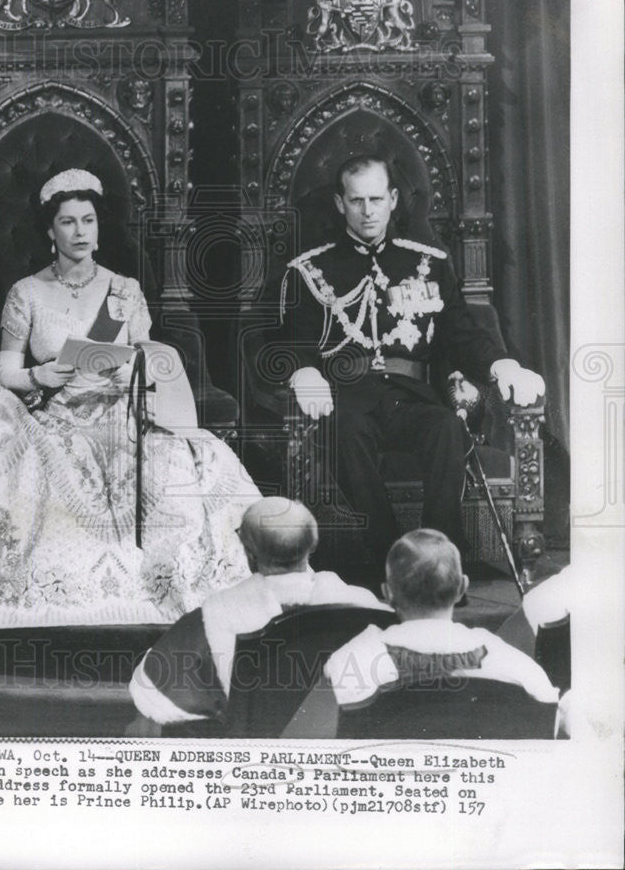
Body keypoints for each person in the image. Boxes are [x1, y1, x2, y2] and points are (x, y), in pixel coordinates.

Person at [0, 168, 261, 627]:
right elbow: (4, 371)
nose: (80, 231)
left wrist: (129, 370)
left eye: (88, 220)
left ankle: (175, 581)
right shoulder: (27, 293)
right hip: (56, 418)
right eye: (68, 222)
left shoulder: (125, 290)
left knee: (192, 460)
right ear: (50, 230)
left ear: (99, 229)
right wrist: (39, 373)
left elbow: (148, 357)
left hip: (122, 413)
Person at [282, 153, 545, 577]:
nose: (367, 211)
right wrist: (304, 370)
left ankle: (439, 561)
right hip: (347, 397)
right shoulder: (311, 270)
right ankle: (391, 560)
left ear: (392, 199)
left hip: (411, 396)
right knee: (345, 429)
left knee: (445, 426)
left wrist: (502, 366)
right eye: (356, 201)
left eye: (375, 199)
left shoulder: (429, 263)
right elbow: (294, 339)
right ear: (339, 203)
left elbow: (461, 333)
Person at [127, 496, 391, 731]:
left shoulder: (216, 613)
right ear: (313, 544)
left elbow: (151, 690)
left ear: (249, 552)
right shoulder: (364, 605)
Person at [283, 529, 559, 738]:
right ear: (462, 588)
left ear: (387, 594)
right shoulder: (515, 666)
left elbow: (301, 747)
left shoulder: (347, 663)